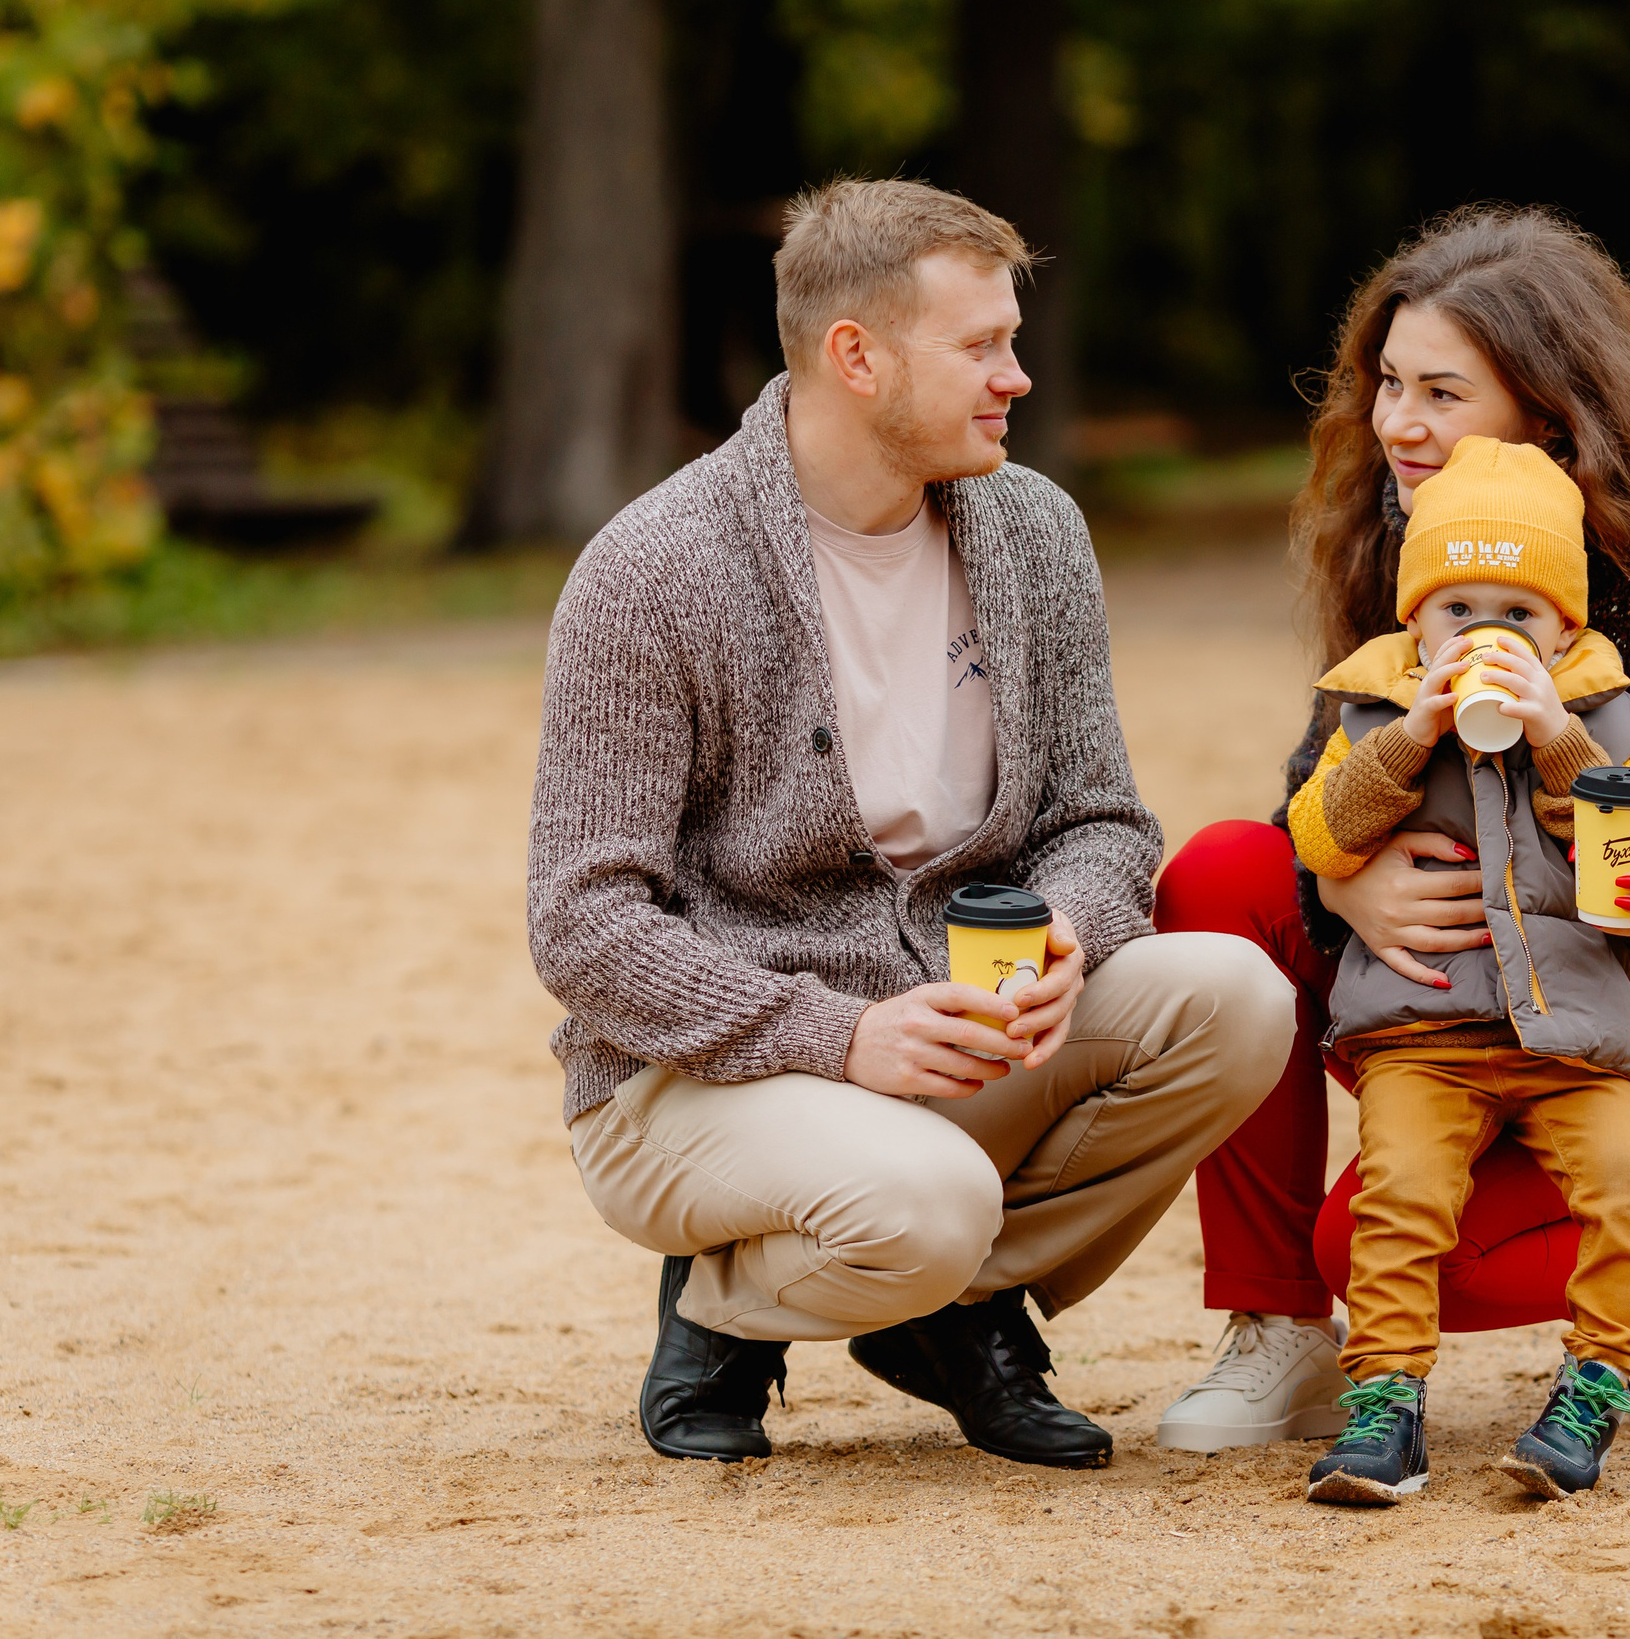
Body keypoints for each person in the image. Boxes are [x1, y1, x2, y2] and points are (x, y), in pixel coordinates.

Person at [528, 178, 1295, 1472]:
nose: (1019, 378)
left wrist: (1070, 925)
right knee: (930, 1205)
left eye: (1012, 339)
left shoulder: (1034, 530)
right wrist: (842, 1035)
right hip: (695, 1078)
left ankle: (945, 1311)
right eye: (982, 346)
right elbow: (584, 923)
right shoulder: (654, 569)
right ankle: (727, 1303)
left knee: (1233, 996)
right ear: (857, 357)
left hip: (955, 1041)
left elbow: (1103, 814)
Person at [1154, 207, 1630, 1455]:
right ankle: (1277, 1333)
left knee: (1399, 1255)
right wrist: (1341, 890)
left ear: (1551, 413)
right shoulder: (1404, 550)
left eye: (1440, 393)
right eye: (1387, 386)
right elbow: (1323, 801)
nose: (1397, 425)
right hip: (1444, 1013)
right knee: (1219, 872)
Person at [1290, 434, 1630, 1505]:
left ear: (1567, 629)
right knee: (1401, 1195)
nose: (1486, 637)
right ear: (1415, 621)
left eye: (1520, 616)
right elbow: (1321, 837)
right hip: (1425, 1035)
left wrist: (1558, 733)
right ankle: (1384, 1403)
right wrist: (1410, 734)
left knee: (1628, 1183)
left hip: (1576, 1042)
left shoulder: (1613, 721)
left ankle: (1599, 1379)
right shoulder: (1370, 715)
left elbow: (1628, 850)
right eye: (1458, 611)